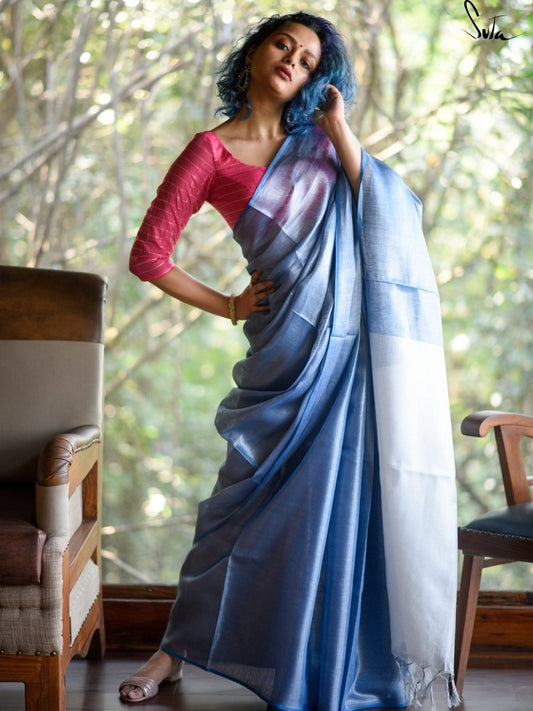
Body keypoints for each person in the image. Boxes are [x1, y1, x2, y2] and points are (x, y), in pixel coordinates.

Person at [120, 11, 459, 711]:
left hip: (351, 353)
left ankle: (323, 658)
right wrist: (229, 304)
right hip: (284, 353)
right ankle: (172, 651)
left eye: (308, 59)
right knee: (235, 509)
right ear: (253, 50)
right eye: (284, 44)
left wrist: (338, 127)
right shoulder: (210, 152)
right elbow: (148, 256)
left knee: (333, 505)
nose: (293, 62)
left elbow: (387, 208)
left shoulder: (320, 142)